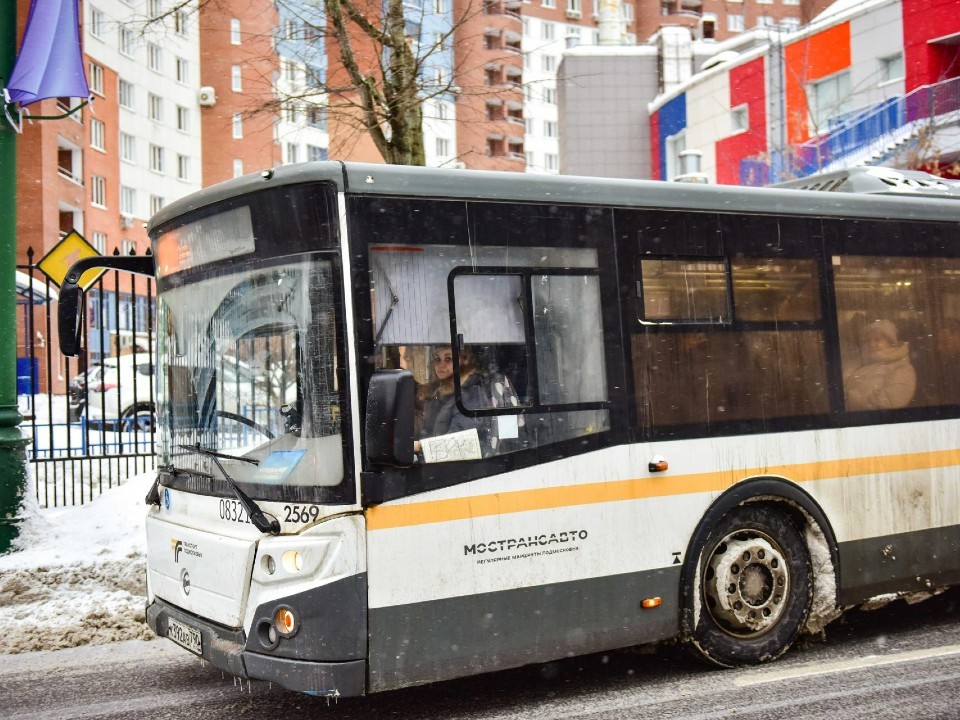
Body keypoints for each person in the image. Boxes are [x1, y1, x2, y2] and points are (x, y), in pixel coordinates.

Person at [843, 319, 916, 411]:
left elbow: (891, 402)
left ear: (890, 343)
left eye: (877, 340)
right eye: (867, 340)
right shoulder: (857, 363)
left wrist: (849, 398)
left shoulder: (902, 368)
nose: (871, 344)